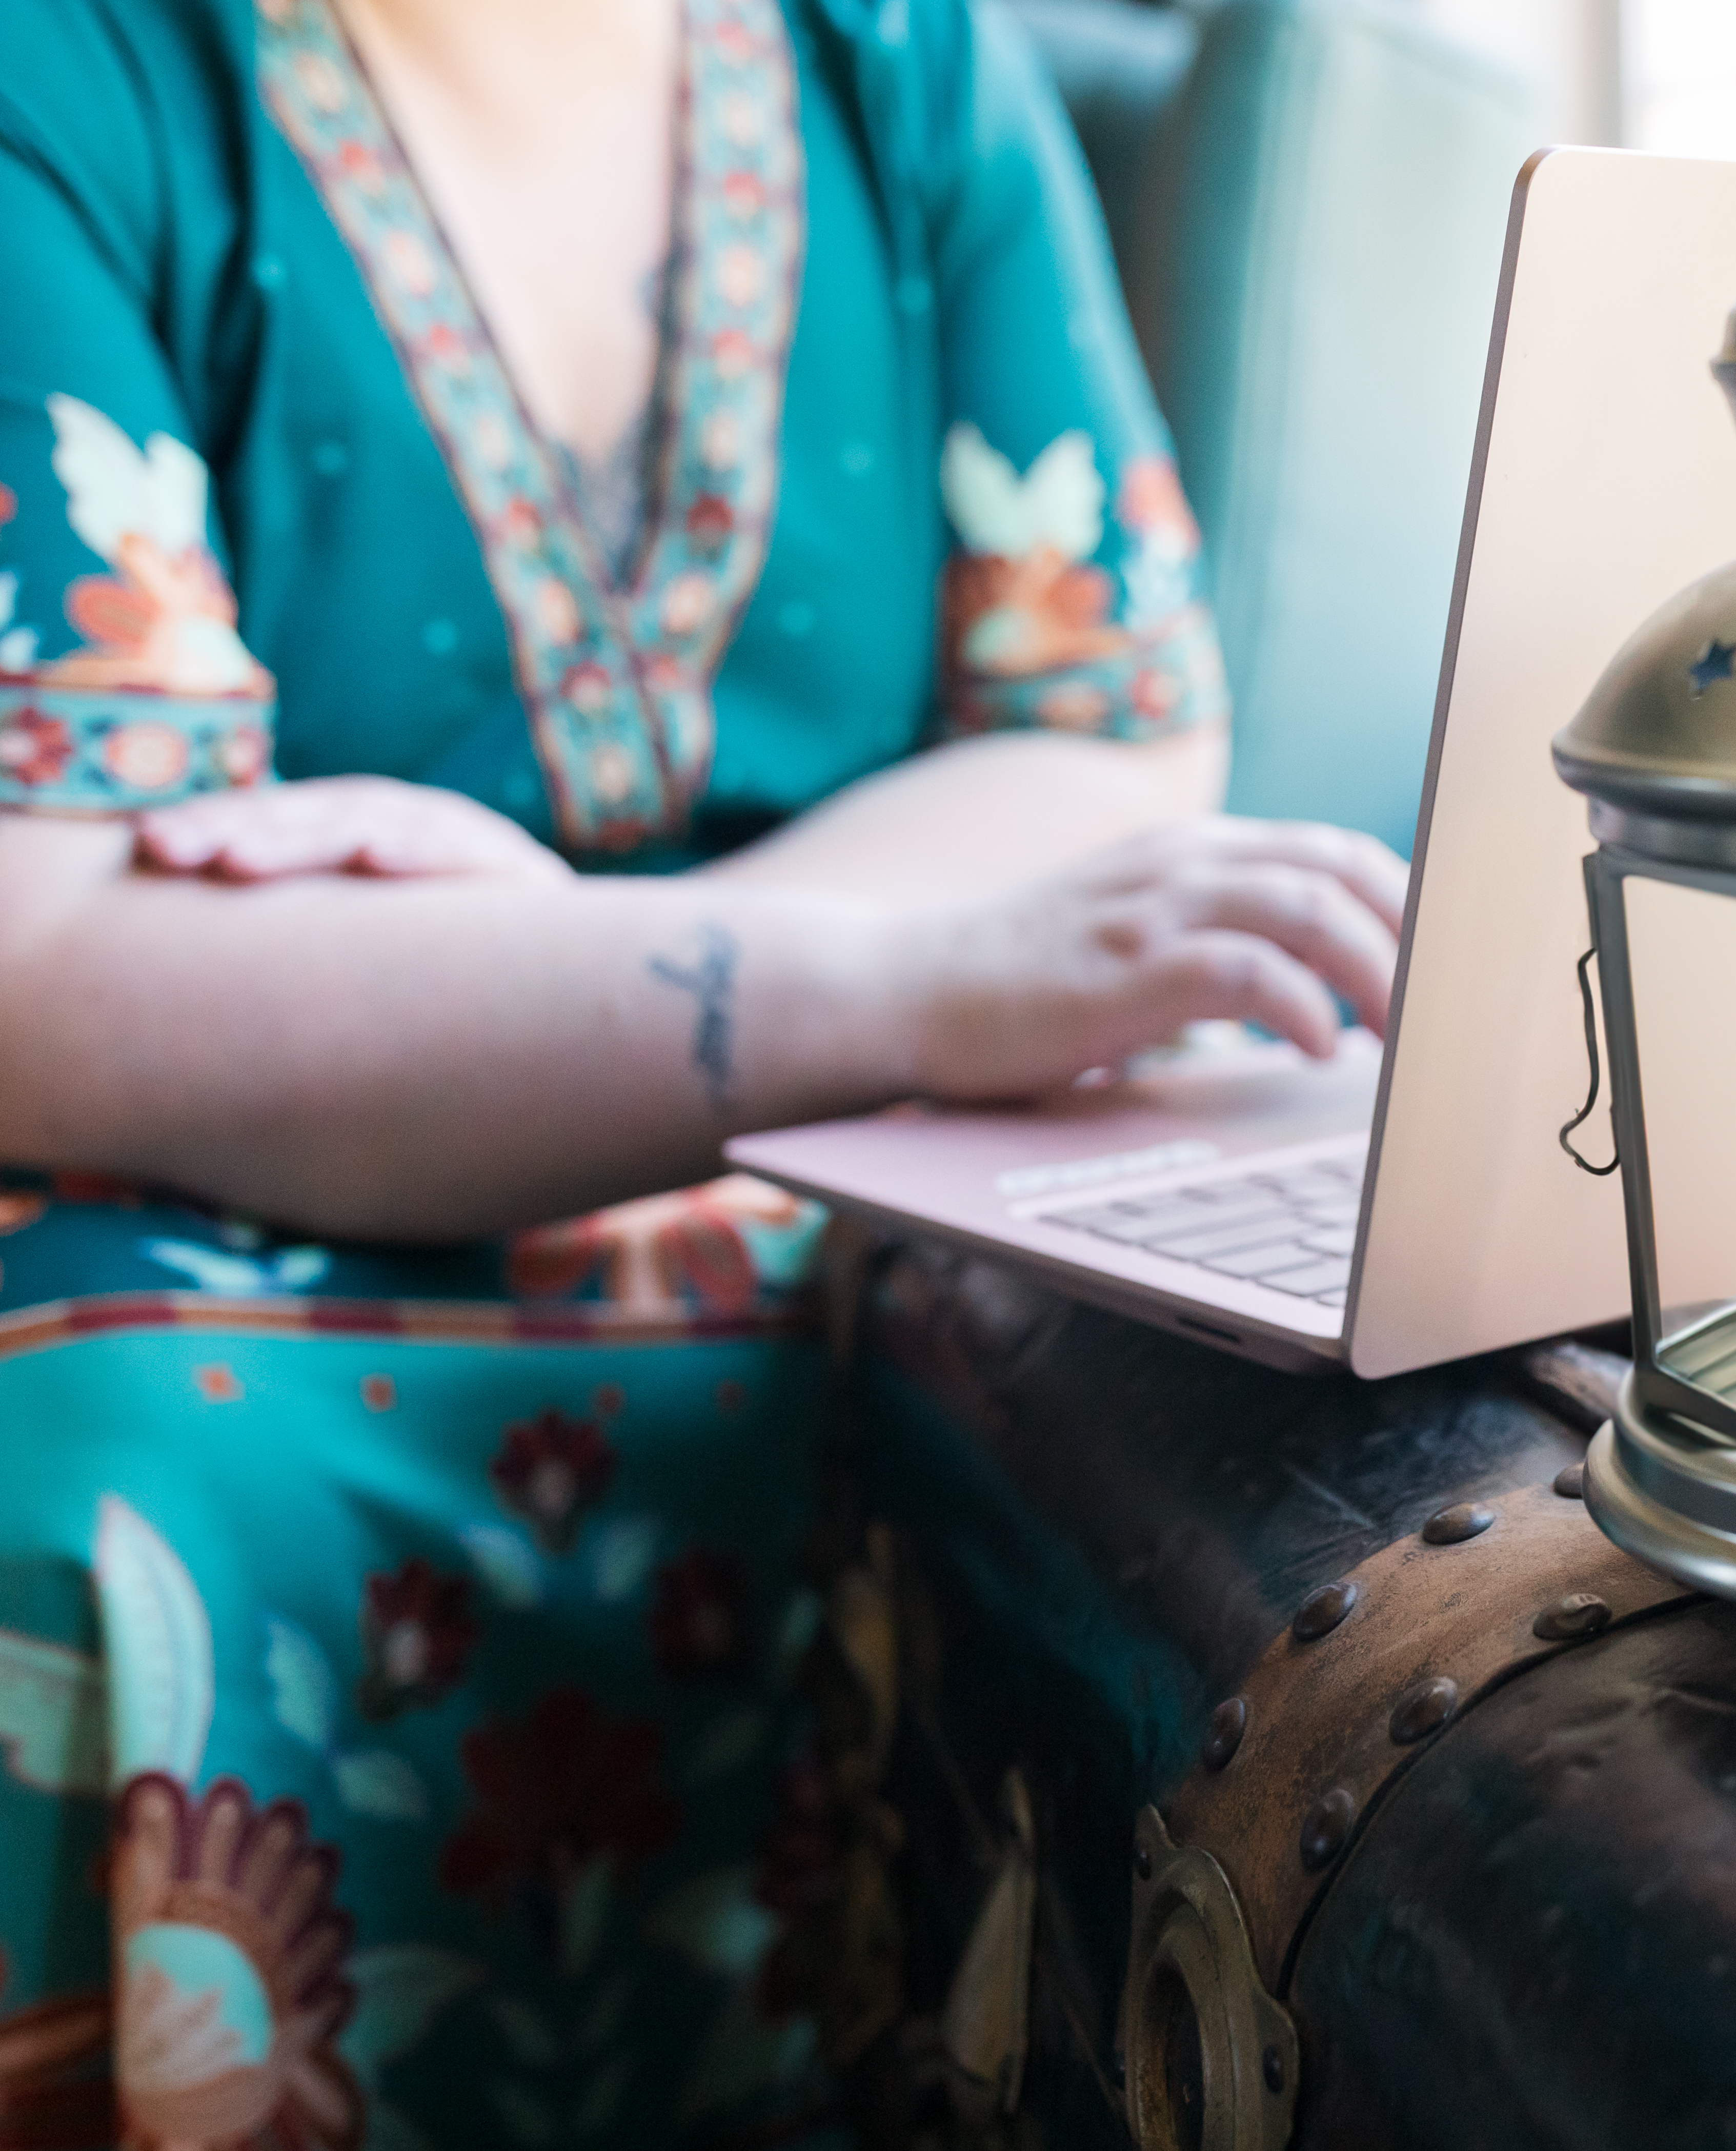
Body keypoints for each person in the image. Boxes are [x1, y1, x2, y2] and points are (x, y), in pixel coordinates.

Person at [0, 0, 1405, 2140]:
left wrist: (587, 972)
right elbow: (52, 970)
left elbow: (1110, 750)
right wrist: (882, 975)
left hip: (866, 1179)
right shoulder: (69, 70)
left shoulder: (902, 56)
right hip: (222, 1223)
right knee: (109, 1465)